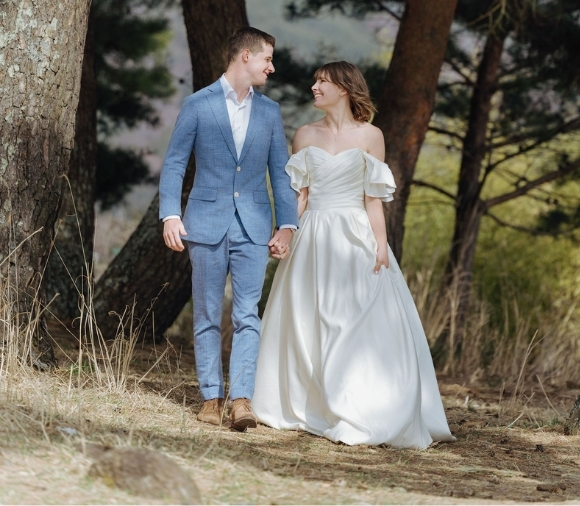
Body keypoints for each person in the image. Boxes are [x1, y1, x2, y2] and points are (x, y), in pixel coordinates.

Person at [252, 61, 453, 447]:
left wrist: (380, 244)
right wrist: (286, 232)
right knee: (308, 319)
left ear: (344, 89)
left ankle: (360, 405)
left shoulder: (371, 135)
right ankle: (312, 403)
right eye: (314, 81)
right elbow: (302, 197)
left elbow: (373, 199)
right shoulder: (304, 135)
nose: (314, 87)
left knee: (355, 319)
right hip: (313, 236)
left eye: (322, 82)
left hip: (354, 234)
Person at [160, 27, 298, 431]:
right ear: (244, 57)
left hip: (254, 226)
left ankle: (241, 400)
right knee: (205, 313)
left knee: (247, 316)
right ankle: (209, 398)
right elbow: (173, 163)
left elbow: (281, 172)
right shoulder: (198, 104)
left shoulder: (270, 112)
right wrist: (171, 214)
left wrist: (287, 224)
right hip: (203, 224)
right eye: (267, 59)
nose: (271, 67)